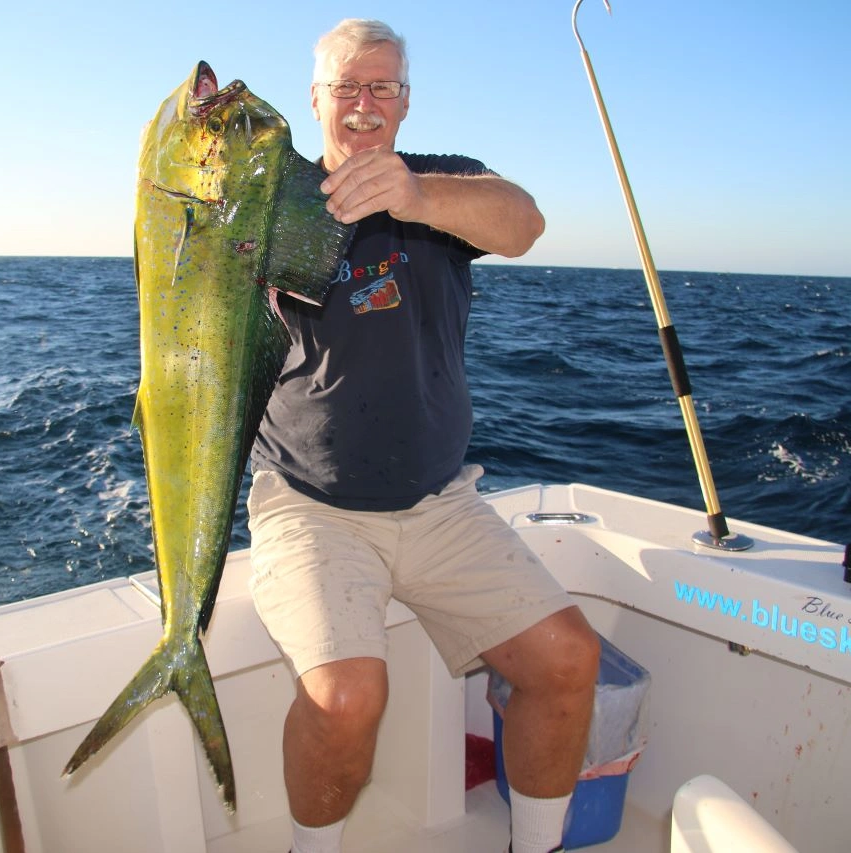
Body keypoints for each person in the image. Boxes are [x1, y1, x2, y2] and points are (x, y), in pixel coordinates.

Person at [246, 18, 601, 853]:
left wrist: (417, 196)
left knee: (568, 659)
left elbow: (523, 223)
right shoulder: (273, 201)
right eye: (347, 87)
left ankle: (538, 844)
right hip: (312, 508)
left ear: (404, 102)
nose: (365, 105)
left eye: (383, 87)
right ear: (316, 100)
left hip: (443, 504)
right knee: (345, 697)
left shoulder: (443, 182)